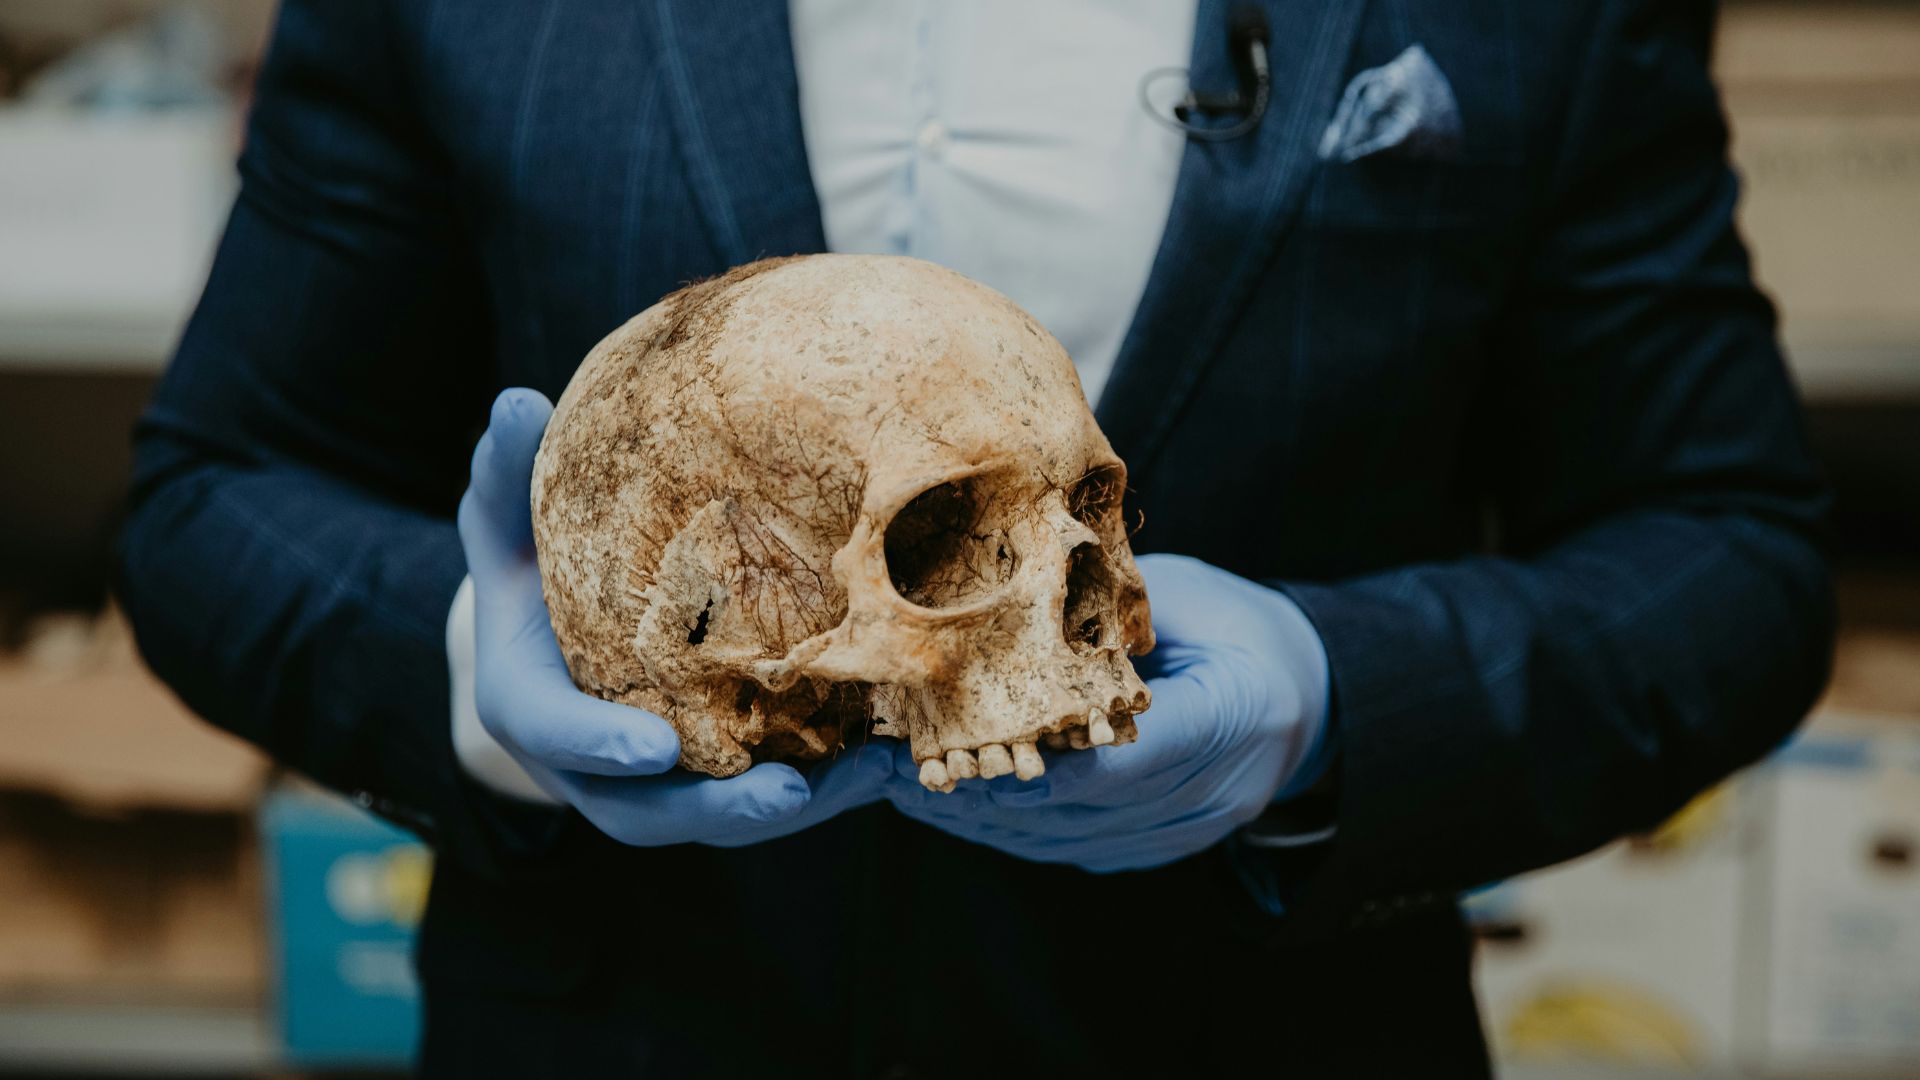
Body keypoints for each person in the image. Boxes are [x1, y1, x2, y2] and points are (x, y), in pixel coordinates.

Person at [116, 1, 1833, 1075]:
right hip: (618, 1032)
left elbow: (1728, 553)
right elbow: (213, 493)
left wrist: (1331, 700)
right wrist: (477, 677)